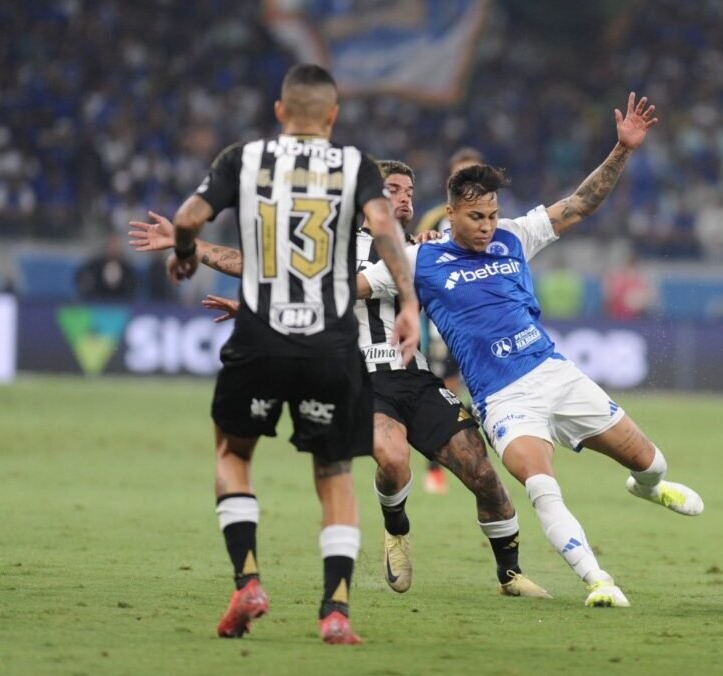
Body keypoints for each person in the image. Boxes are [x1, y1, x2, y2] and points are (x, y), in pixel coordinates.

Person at [130, 160, 548, 600]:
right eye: (393, 189)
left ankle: (510, 574)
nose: (405, 197)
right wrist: (189, 246)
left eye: (409, 189)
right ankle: (396, 529)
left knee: (481, 471)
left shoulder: (427, 250)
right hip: (361, 377)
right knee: (391, 456)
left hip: (414, 375)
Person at [359, 93, 705, 608]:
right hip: (503, 399)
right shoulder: (419, 258)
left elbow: (581, 204)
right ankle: (598, 581)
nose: (486, 225)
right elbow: (350, 289)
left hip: (555, 374)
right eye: (475, 216)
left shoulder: (515, 237)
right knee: (541, 486)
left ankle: (649, 486)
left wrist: (621, 150)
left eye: (493, 214)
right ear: (450, 212)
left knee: (653, 463)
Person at [159, 64, 420, 644]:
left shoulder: (243, 159)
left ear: (280, 112)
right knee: (334, 473)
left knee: (233, 454)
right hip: (330, 344)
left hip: (259, 337)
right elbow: (385, 229)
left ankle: (247, 580)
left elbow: (186, 220)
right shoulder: (354, 166)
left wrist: (182, 254)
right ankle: (335, 611)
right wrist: (407, 301)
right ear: (332, 116)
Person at [413, 146, 486, 494]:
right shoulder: (433, 220)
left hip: (485, 319)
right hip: (445, 320)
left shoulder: (493, 219)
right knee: (448, 387)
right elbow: (414, 260)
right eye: (462, 175)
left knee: (486, 388)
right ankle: (436, 465)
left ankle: (478, 446)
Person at [75, 233, 138, 301]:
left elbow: (132, 284)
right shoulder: (96, 264)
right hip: (99, 300)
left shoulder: (126, 266)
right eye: (111, 245)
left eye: (115, 245)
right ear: (106, 246)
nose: (113, 248)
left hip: (120, 301)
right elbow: (82, 275)